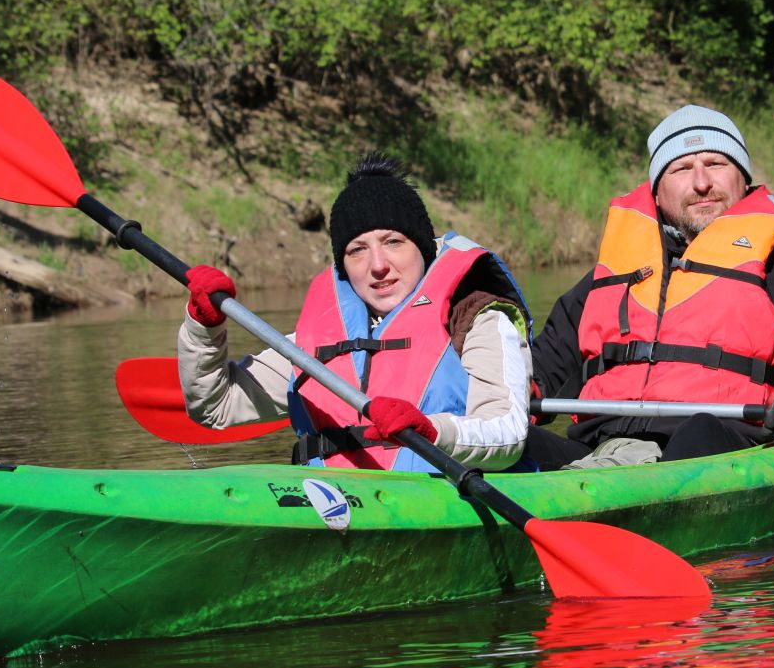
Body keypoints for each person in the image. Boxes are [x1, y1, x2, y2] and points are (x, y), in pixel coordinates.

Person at [528, 104, 774, 468]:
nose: (701, 183)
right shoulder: (605, 282)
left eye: (716, 164)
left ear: (743, 180)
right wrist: (510, 392)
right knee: (515, 447)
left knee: (700, 430)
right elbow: (539, 370)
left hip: (723, 446)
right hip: (600, 448)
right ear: (656, 192)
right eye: (682, 168)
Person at [178, 154, 536, 472]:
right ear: (343, 265)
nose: (378, 265)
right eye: (357, 250)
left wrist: (432, 430)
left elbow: (505, 434)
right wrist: (204, 327)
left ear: (423, 247)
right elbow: (216, 406)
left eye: (393, 242)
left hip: (449, 500)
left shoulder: (478, 318)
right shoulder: (315, 344)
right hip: (337, 501)